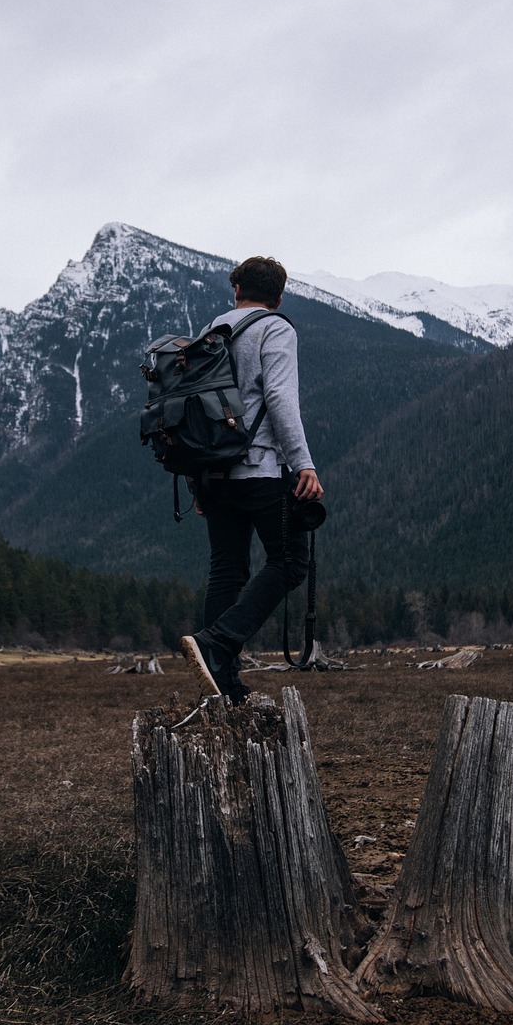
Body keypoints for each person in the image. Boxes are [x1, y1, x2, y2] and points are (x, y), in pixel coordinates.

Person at [180, 255, 323, 704]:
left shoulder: (209, 333)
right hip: (260, 469)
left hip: (214, 474)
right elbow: (280, 397)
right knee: (290, 562)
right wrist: (304, 464)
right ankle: (218, 643)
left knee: (227, 570)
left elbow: (189, 410)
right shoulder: (276, 328)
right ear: (279, 296)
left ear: (236, 289)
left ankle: (222, 682)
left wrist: (198, 479)